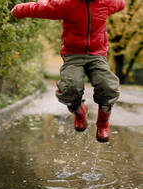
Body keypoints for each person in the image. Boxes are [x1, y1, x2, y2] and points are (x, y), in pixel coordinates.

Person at [11, 0, 125, 143]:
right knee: (69, 88)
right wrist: (20, 10)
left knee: (108, 86)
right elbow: (42, 7)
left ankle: (102, 124)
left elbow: (120, 4)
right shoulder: (66, 4)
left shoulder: (106, 2)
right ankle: (79, 111)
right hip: (73, 54)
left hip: (97, 54)